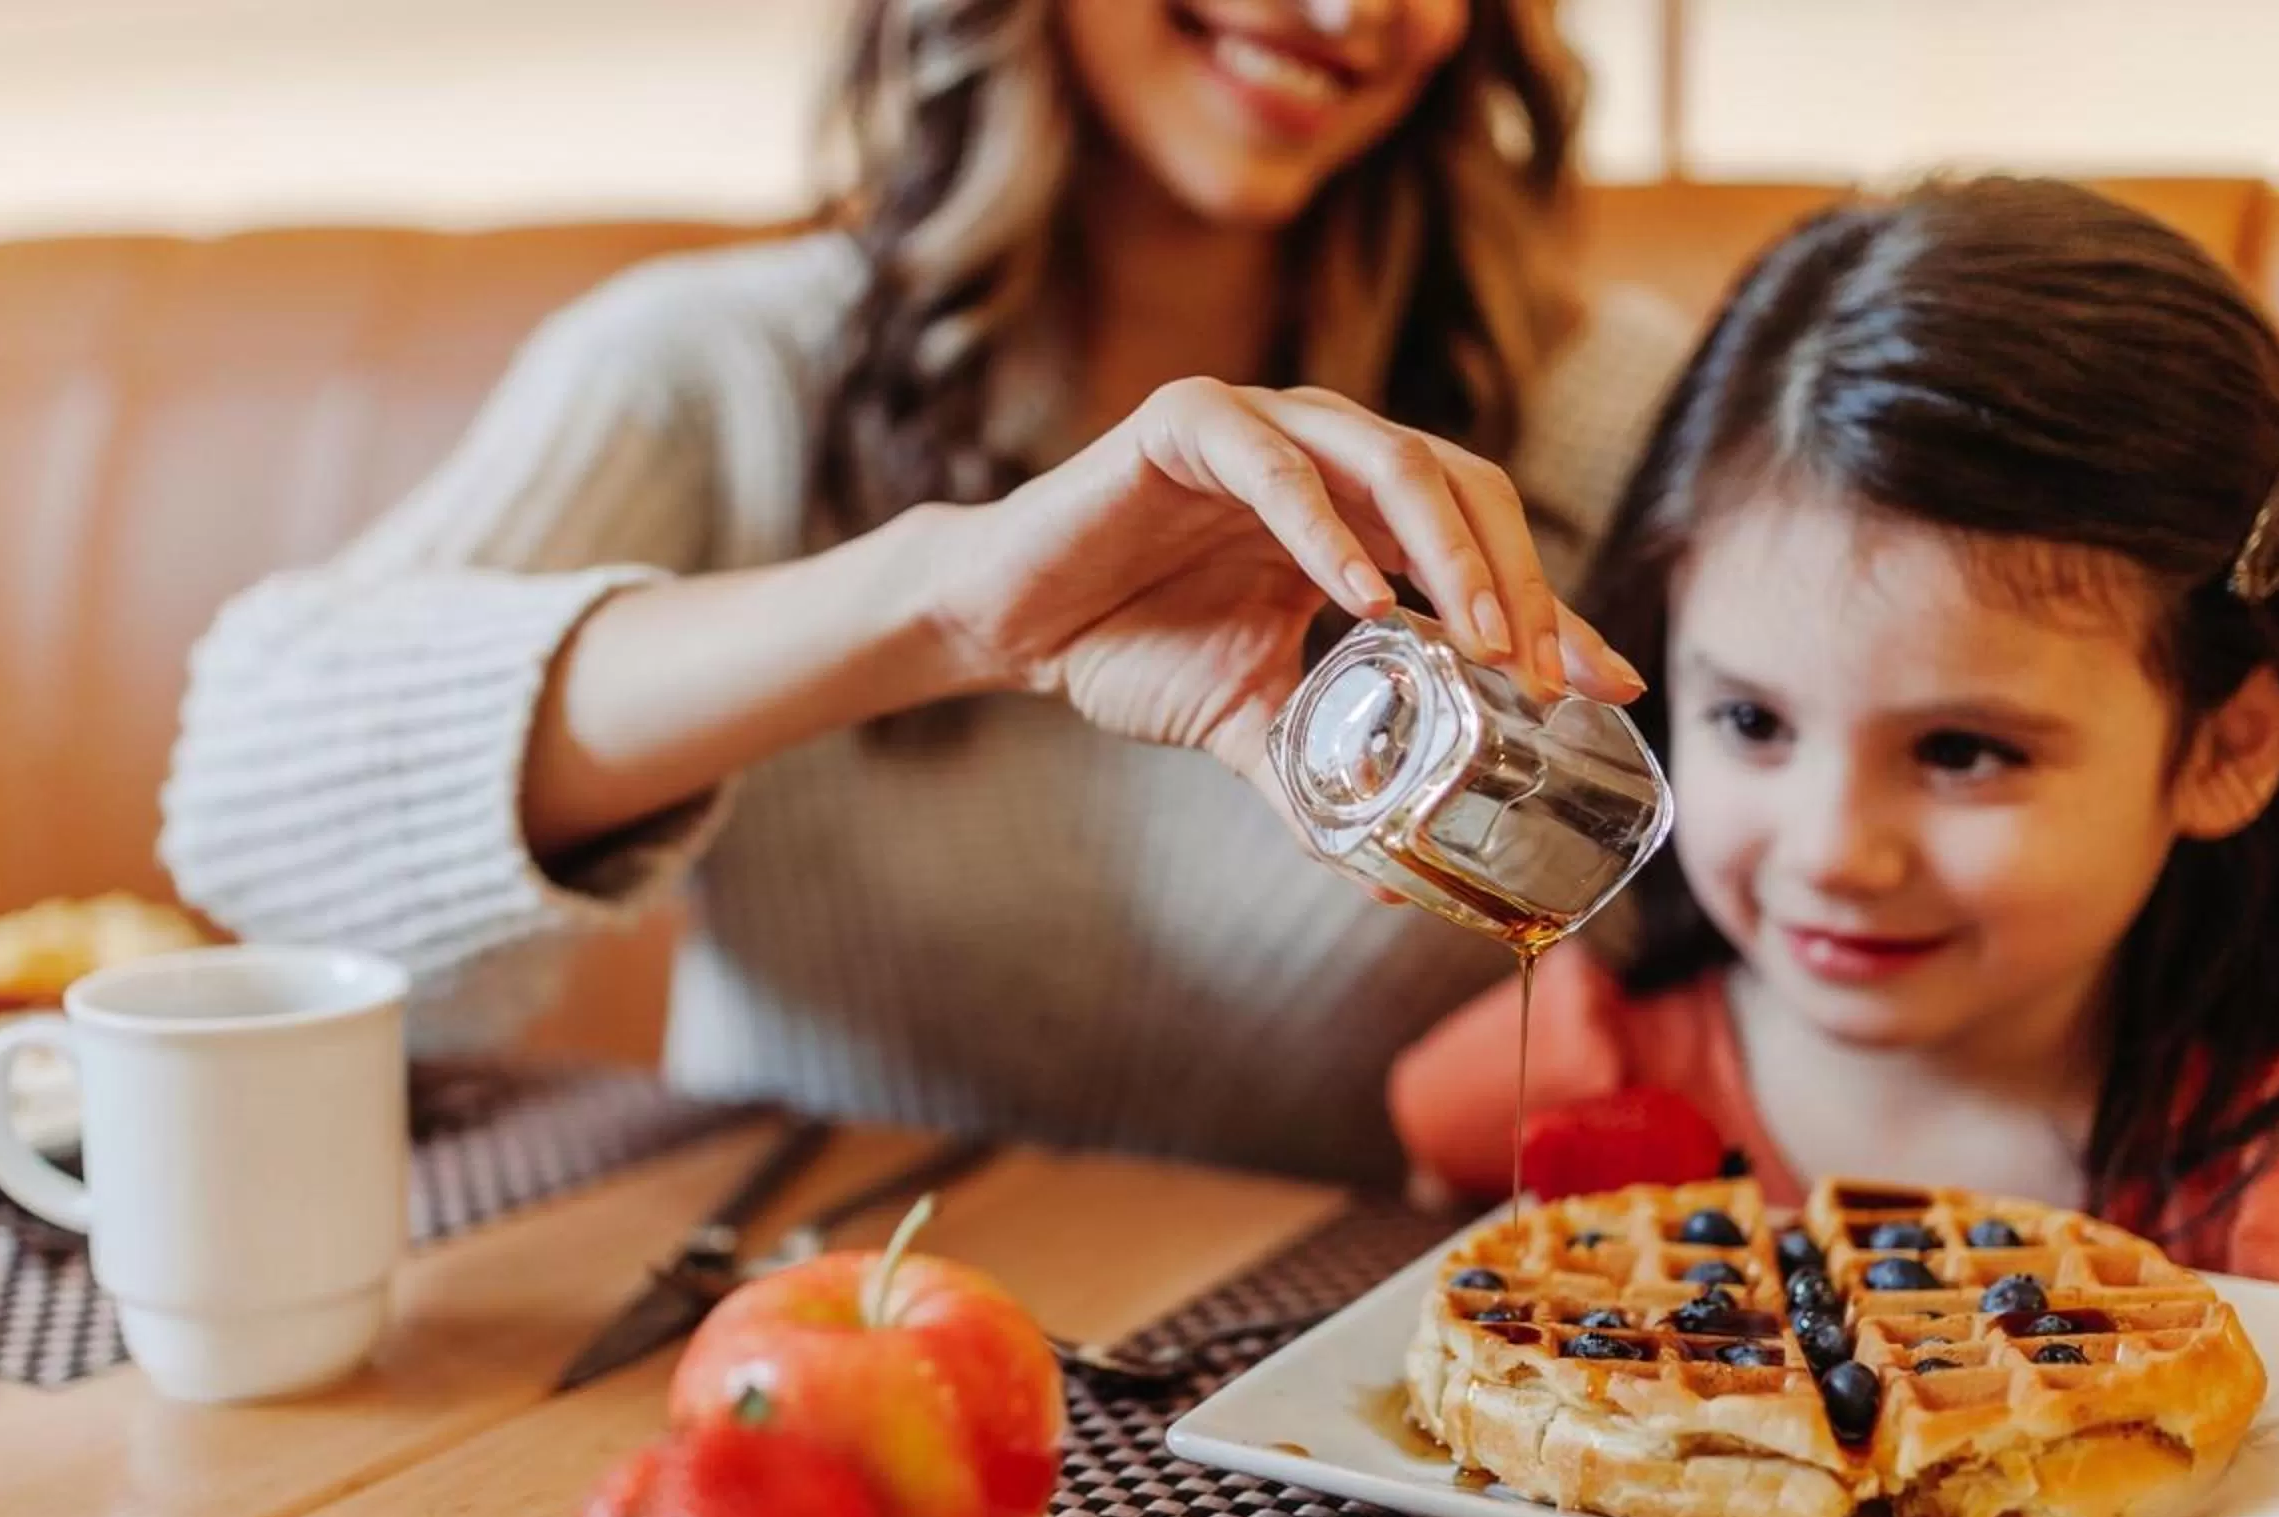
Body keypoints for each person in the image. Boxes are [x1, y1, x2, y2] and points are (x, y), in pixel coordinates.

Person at [160, 0, 1689, 1185]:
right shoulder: (710, 375)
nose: (1351, 12)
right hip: (778, 1336)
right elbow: (256, 819)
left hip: (1329, 1417)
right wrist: (940, 606)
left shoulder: (1619, 415)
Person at [1388, 176, 2279, 1352]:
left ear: (2228, 748)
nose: (1833, 852)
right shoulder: (1550, 1082)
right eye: (1752, 720)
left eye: (1963, 751)